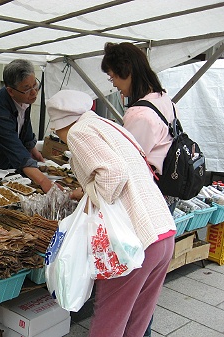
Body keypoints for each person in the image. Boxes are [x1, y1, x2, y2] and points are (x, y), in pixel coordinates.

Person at [46, 89, 176, 337]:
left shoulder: (79, 132)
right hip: (162, 234)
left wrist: (90, 196)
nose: (59, 137)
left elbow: (113, 173)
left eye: (56, 131)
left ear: (62, 124)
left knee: (110, 323)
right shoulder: (108, 126)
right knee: (136, 324)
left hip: (133, 244)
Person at [101, 41, 178, 336]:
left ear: (127, 71)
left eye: (114, 78)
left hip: (145, 202)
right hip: (164, 199)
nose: (114, 86)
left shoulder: (140, 114)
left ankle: (133, 330)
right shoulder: (163, 99)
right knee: (148, 283)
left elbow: (125, 166)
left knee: (135, 277)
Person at [0, 59, 53, 193]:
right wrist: (43, 181)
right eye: (27, 89)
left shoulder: (24, 97)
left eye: (35, 85)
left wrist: (32, 148)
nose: (34, 92)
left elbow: (25, 122)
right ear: (10, 91)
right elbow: (15, 149)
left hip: (7, 162)